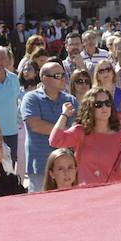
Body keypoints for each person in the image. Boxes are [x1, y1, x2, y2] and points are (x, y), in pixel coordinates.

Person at [49, 87, 121, 185]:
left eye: (107, 103)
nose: (104, 107)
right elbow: (54, 141)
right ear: (90, 107)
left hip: (114, 192)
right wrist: (64, 115)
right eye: (98, 105)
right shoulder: (80, 131)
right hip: (85, 193)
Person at [20, 61, 78, 192]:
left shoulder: (71, 100)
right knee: (41, 208)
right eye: (57, 75)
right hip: (41, 165)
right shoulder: (31, 98)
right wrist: (64, 130)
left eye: (63, 75)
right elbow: (35, 125)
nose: (63, 78)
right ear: (44, 78)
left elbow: (76, 128)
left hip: (67, 168)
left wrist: (62, 132)